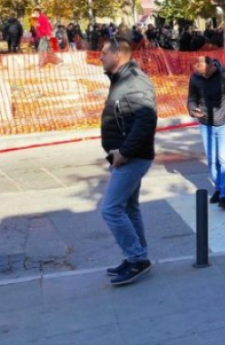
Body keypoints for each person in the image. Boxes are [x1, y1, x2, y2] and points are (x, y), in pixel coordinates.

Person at [98, 37, 158, 286]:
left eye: (103, 53)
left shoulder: (134, 81)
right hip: (126, 155)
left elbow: (146, 119)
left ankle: (136, 258)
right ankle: (138, 256)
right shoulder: (123, 78)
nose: (100, 57)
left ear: (118, 55)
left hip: (132, 157)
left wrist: (124, 151)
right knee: (129, 207)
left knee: (110, 209)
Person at [188, 55, 225, 210]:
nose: (201, 74)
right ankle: (218, 187)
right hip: (205, 123)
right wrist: (192, 110)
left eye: (204, 71)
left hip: (223, 122)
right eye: (198, 71)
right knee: (212, 159)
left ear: (211, 66)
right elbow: (191, 98)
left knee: (224, 159)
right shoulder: (195, 78)